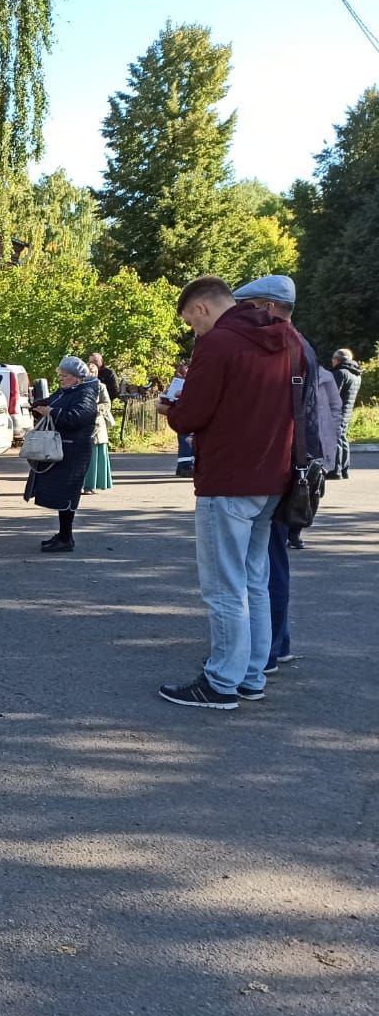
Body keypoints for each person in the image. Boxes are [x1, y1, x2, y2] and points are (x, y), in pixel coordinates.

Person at [159, 275, 296, 711]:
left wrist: (171, 410)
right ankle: (252, 675)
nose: (194, 331)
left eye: (191, 322)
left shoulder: (218, 344)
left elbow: (193, 415)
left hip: (228, 478)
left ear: (201, 308)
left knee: (223, 587)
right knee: (255, 581)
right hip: (274, 476)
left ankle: (220, 681)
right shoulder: (289, 339)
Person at [231, 276, 339, 675]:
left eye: (249, 306)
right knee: (269, 559)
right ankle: (277, 642)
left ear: (269, 306)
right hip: (294, 465)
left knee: (267, 561)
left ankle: (270, 647)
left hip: (282, 468)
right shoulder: (299, 346)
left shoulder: (286, 347)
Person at [23, 356, 101, 553]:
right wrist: (38, 406)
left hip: (74, 452)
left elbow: (76, 418)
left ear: (77, 378)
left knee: (67, 495)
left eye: (64, 376)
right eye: (60, 376)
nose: (61, 379)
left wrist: (51, 411)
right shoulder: (67, 391)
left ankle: (66, 538)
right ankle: (64, 534)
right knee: (59, 493)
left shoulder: (86, 394)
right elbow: (53, 402)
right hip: (62, 450)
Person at [82, 360, 115, 494]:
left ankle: (91, 485)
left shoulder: (101, 386)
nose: (91, 374)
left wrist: (95, 408)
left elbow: (106, 404)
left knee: (95, 456)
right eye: (89, 372)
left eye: (94, 372)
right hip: (82, 424)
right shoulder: (79, 386)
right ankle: (81, 484)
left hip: (97, 425)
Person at [330, 348, 363, 480]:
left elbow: (333, 394)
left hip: (337, 410)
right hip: (347, 411)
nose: (332, 361)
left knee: (336, 439)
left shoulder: (340, 373)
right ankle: (344, 469)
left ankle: (335, 470)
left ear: (337, 360)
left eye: (333, 359)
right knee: (343, 438)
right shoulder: (356, 374)